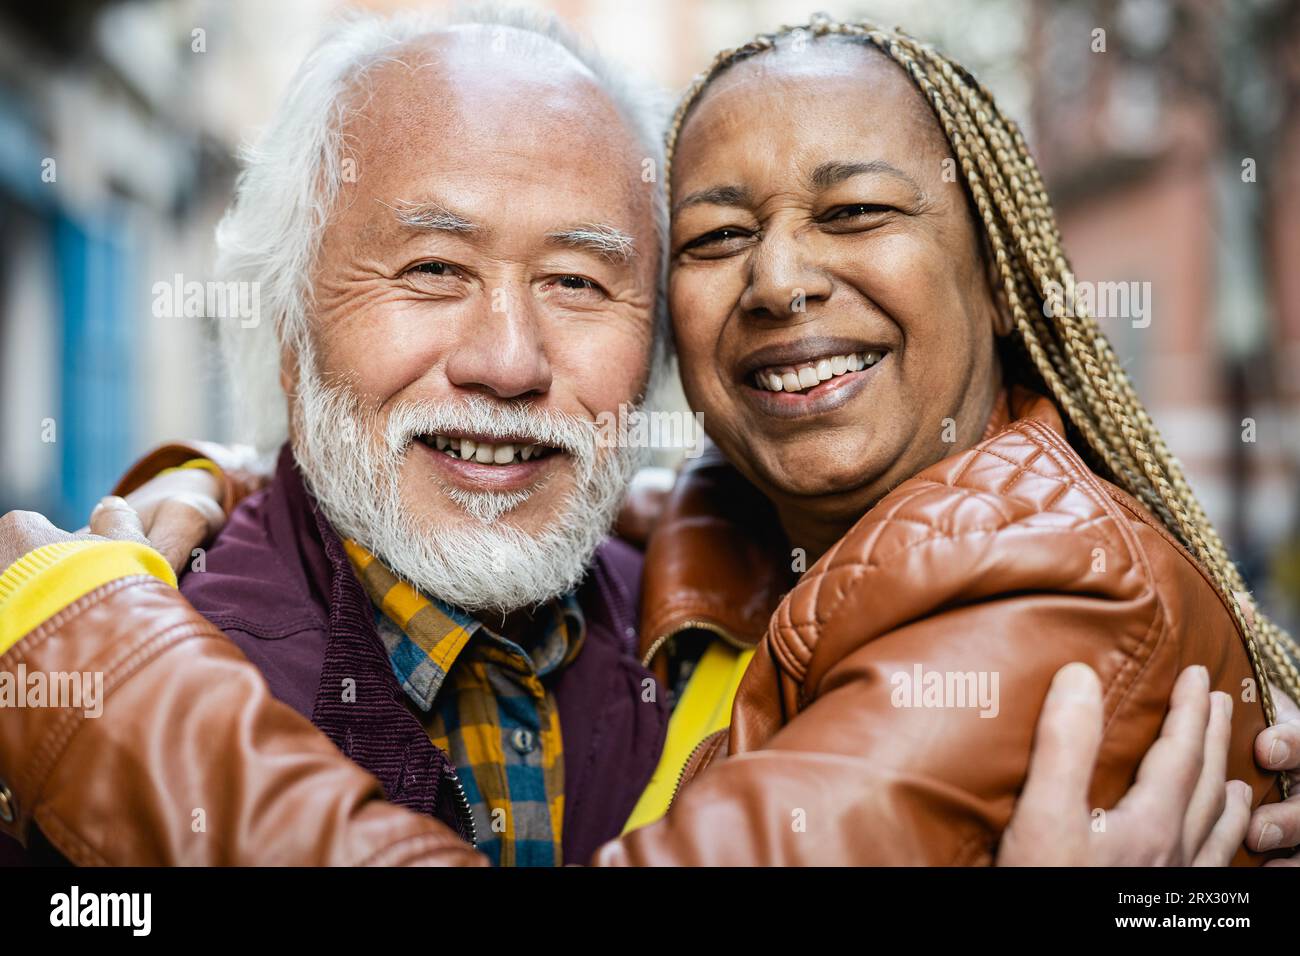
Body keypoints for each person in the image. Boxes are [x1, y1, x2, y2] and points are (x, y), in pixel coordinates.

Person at [1, 11, 1297, 866]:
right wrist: (224, 484)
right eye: (436, 269)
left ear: (1000, 275)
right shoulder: (739, 564)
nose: (508, 360)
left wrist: (102, 670)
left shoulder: (1052, 588)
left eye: (577, 280)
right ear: (287, 331)